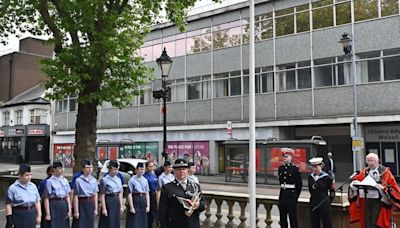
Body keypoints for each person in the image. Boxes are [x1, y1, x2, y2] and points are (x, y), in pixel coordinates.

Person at [349, 153, 400, 228]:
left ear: (378, 161)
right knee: (367, 220)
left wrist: (384, 188)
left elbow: (393, 188)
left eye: (372, 161)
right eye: (368, 161)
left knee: (376, 221)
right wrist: (354, 184)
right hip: (366, 201)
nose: (370, 163)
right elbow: (357, 180)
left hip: (379, 202)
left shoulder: (386, 172)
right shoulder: (364, 172)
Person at [159, 159, 206, 228]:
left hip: (192, 224)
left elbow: (203, 204)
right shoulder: (167, 187)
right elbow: (163, 210)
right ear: (174, 171)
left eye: (184, 169)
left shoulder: (195, 186)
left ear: (188, 170)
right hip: (175, 224)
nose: (181, 172)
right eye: (178, 170)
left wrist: (198, 205)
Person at [5, 163, 42, 228]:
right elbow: (8, 204)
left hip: (31, 213)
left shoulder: (33, 186)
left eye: (30, 174)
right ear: (20, 175)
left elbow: (37, 201)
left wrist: (39, 215)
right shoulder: (13, 188)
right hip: (19, 214)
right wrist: (9, 219)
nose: (29, 177)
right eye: (27, 175)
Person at [278, 148, 302, 228]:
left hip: (291, 197)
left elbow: (299, 185)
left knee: (293, 219)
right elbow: (281, 182)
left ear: (291, 157)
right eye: (284, 156)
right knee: (283, 219)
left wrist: (295, 196)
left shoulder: (295, 169)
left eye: (287, 156)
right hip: (283, 196)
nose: (285, 158)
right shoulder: (280, 168)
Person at [43, 161, 72, 228]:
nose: (62, 169)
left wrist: (69, 210)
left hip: (63, 203)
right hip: (54, 204)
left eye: (62, 167)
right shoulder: (49, 181)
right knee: (54, 224)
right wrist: (48, 213)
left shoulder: (65, 180)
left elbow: (67, 196)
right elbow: (46, 198)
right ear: (54, 169)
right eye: (59, 168)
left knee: (64, 224)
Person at [308, 157, 334, 228]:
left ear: (321, 165)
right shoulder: (311, 177)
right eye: (313, 167)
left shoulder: (327, 178)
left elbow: (332, 192)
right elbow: (311, 190)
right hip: (314, 204)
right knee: (314, 224)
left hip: (324, 204)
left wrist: (328, 202)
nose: (314, 169)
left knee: (327, 224)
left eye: (316, 167)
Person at [72, 159, 98, 228]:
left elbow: (95, 195)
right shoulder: (78, 180)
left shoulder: (94, 180)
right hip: (82, 203)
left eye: (91, 167)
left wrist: (96, 208)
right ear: (83, 169)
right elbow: (75, 196)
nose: (90, 169)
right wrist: (76, 211)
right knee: (80, 224)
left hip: (90, 203)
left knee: (89, 224)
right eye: (87, 167)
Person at [98, 160, 124, 228]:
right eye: (114, 169)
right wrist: (104, 208)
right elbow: (102, 195)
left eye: (117, 169)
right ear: (109, 169)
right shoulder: (104, 180)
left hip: (116, 200)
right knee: (108, 221)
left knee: (115, 221)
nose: (116, 171)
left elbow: (120, 193)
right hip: (108, 200)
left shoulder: (119, 179)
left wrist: (121, 205)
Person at [126, 162, 150, 228]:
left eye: (143, 169)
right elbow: (129, 194)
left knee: (143, 220)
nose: (141, 171)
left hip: (143, 200)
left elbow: (147, 194)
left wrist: (148, 206)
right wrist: (131, 207)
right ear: (136, 170)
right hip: (135, 199)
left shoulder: (145, 180)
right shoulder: (131, 180)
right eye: (140, 169)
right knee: (134, 220)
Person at [143, 161, 158, 228]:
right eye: (150, 166)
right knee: (148, 212)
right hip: (147, 194)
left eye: (153, 166)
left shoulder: (154, 175)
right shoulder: (144, 176)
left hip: (154, 194)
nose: (152, 168)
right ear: (146, 167)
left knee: (153, 212)